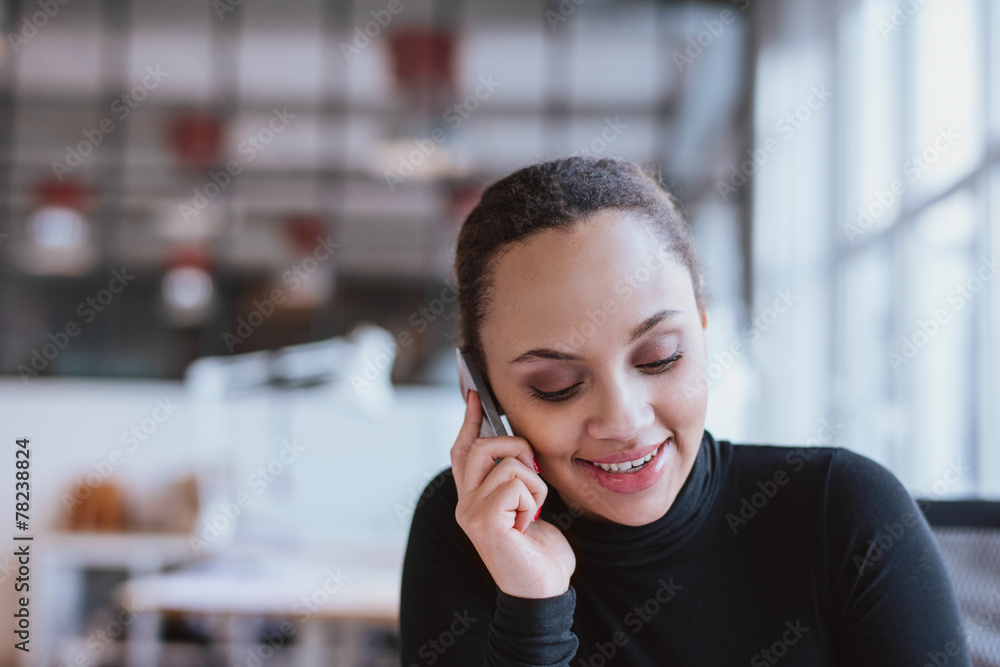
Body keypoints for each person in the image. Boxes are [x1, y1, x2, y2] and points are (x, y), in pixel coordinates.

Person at [399, 156, 971, 666]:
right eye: (557, 384)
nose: (623, 420)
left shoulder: (842, 510)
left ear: (702, 327)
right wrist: (533, 612)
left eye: (658, 358)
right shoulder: (465, 532)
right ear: (479, 390)